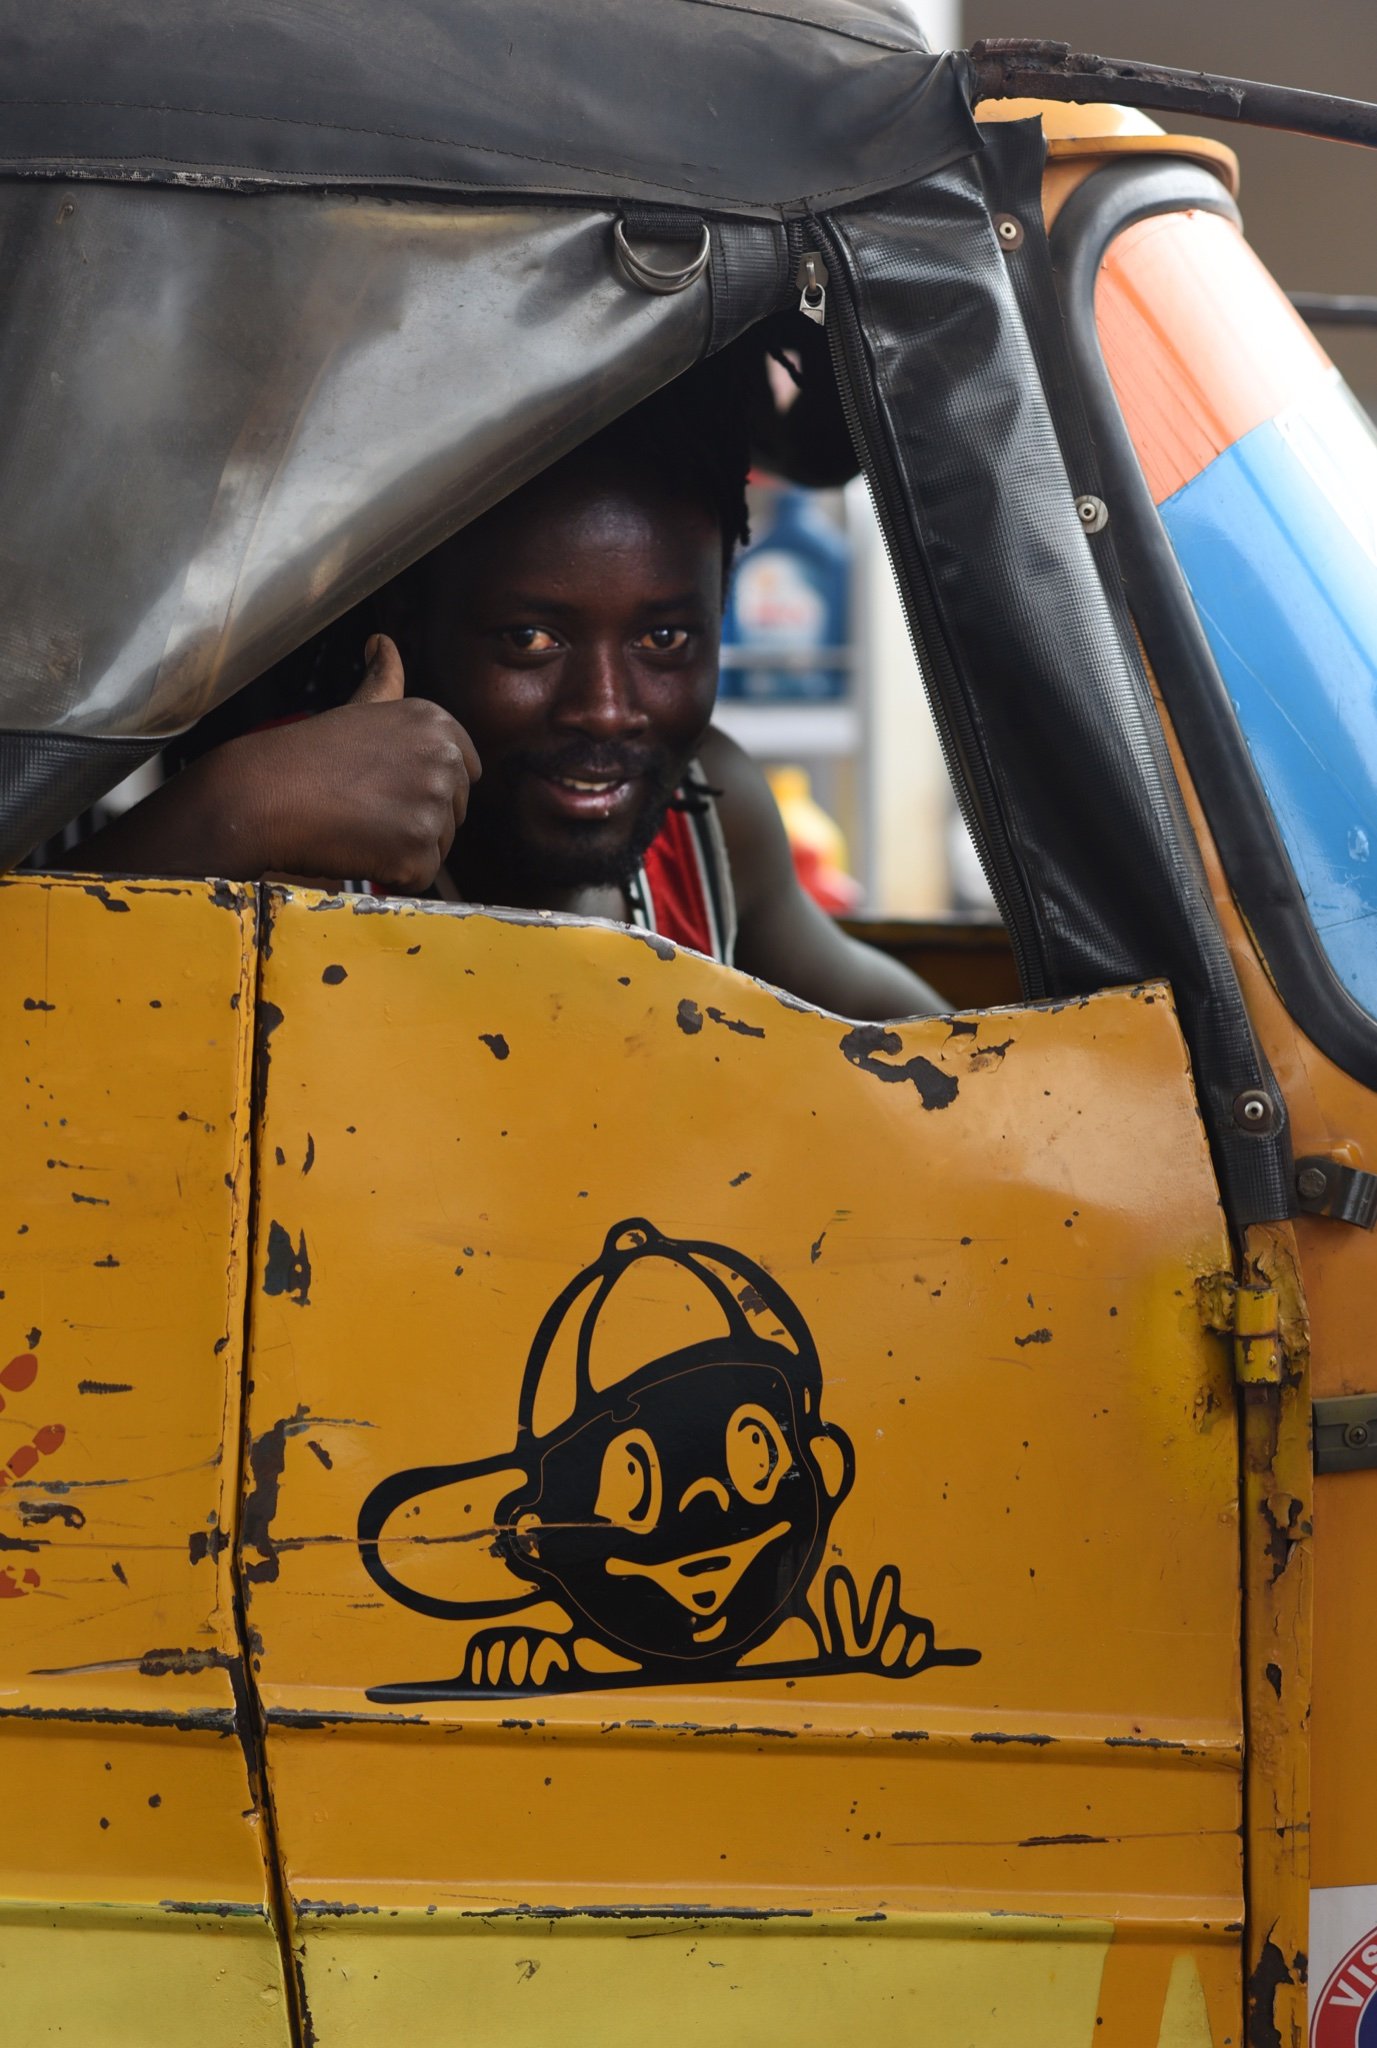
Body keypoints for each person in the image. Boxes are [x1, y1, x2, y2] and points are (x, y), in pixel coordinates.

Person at [79, 374, 942, 1021]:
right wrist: (233, 808)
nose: (606, 709)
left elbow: (936, 1055)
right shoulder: (292, 827)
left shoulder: (702, 821)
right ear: (408, 621)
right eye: (531, 639)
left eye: (664, 639)